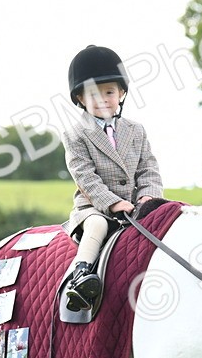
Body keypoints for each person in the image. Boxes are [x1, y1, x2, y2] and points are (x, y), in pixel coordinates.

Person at [60, 45, 164, 311]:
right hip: (95, 207)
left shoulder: (136, 130)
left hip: (135, 206)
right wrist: (114, 203)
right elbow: (85, 177)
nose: (103, 99)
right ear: (80, 98)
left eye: (109, 92)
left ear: (121, 94)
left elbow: (148, 168)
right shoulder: (75, 134)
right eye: (94, 94)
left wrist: (148, 196)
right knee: (97, 225)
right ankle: (80, 276)